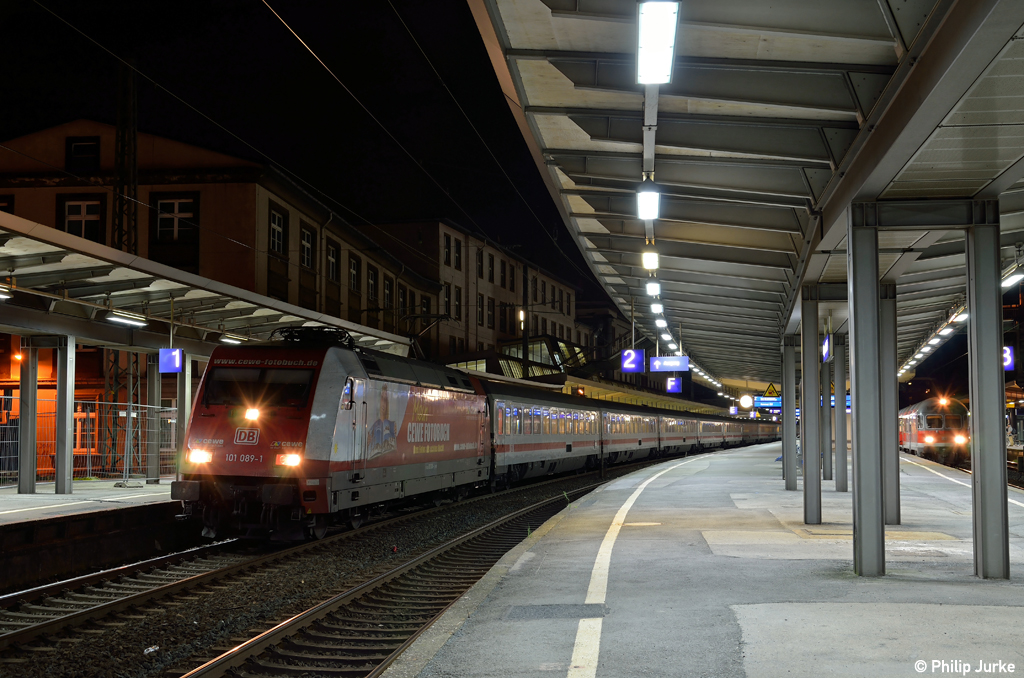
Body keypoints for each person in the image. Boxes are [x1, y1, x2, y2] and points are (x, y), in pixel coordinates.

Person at [367, 384, 397, 459]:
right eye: (382, 399)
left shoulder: (392, 425)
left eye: (385, 400)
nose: (384, 404)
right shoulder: (372, 427)